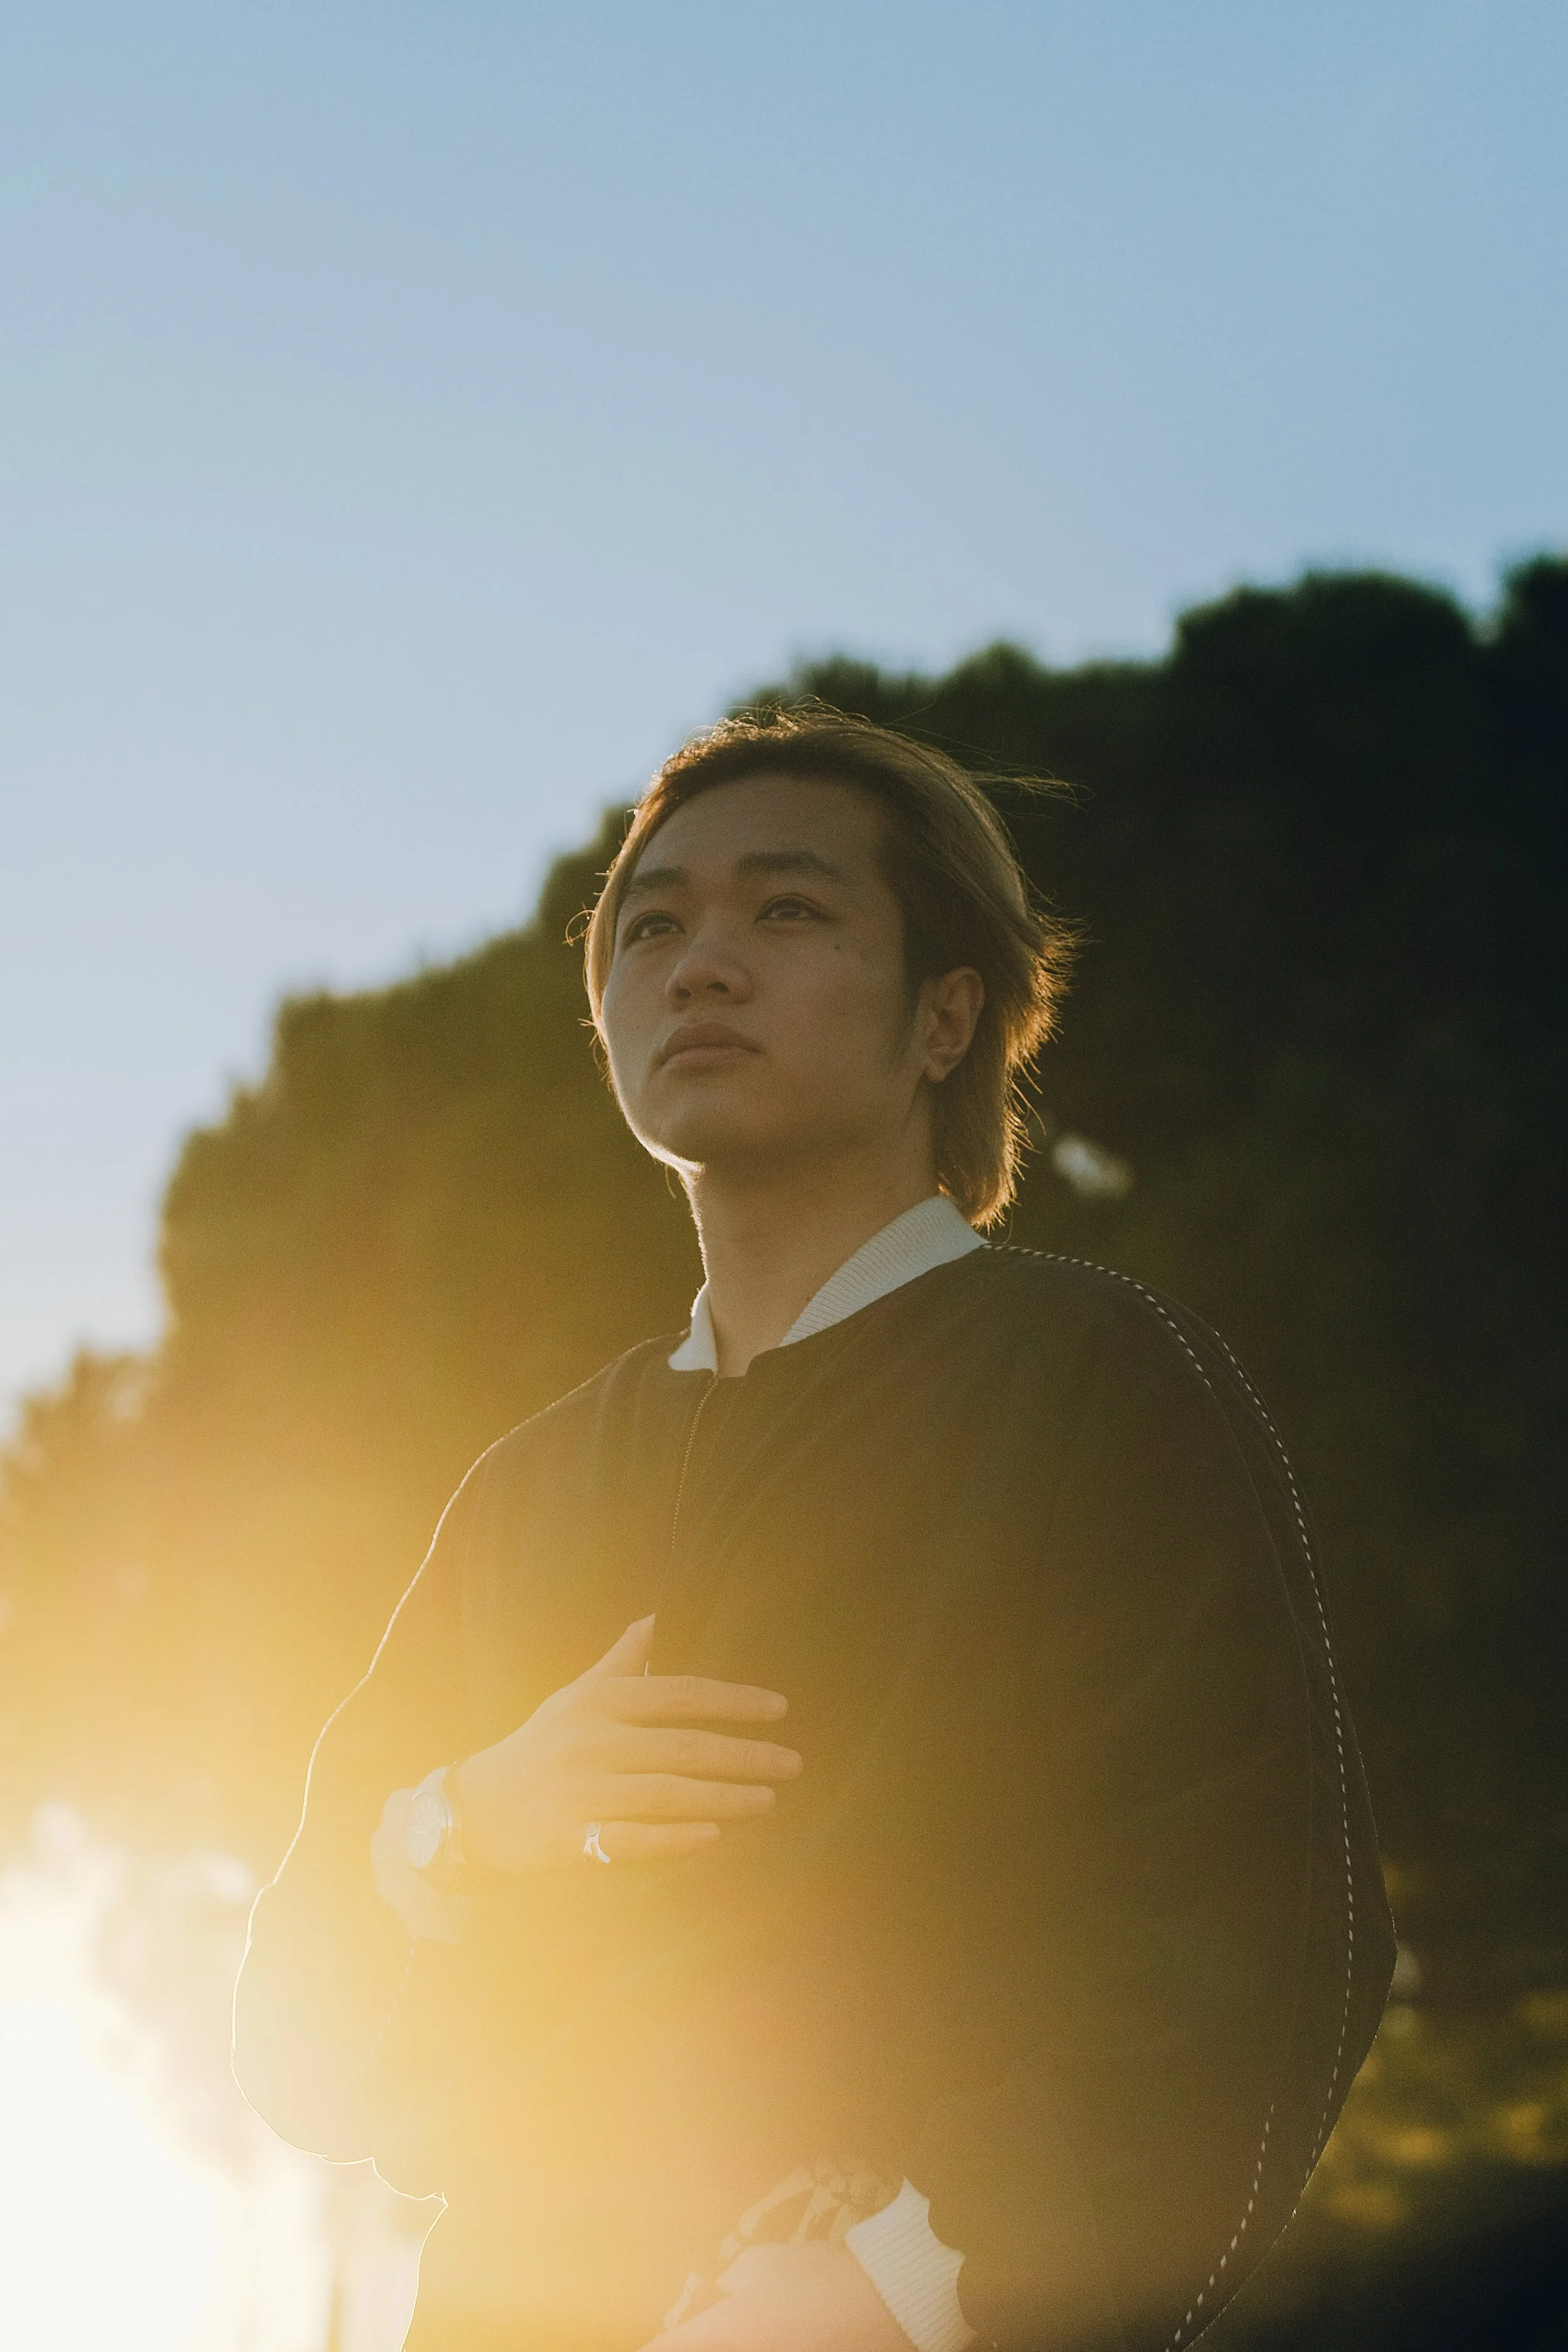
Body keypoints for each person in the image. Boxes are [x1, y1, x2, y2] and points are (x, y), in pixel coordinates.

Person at [233, 709, 1395, 2352]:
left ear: (944, 1017)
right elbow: (300, 2039)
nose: (701, 962)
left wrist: (910, 2281)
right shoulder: (525, 1484)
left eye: (787, 910)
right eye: (653, 926)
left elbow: (1271, 1935)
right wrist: (474, 1815)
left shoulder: (1095, 1379)